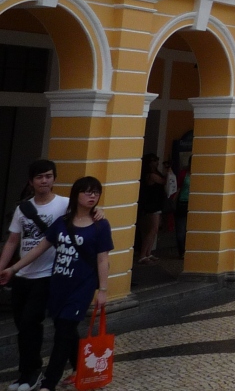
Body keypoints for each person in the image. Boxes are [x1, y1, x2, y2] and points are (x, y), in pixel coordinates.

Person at [0, 176, 111, 391]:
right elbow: (39, 248)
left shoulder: (100, 225)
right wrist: (13, 269)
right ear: (76, 194)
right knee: (64, 328)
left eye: (96, 192)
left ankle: (49, 382)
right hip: (59, 285)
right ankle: (81, 367)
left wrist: (103, 290)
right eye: (87, 191)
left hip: (82, 287)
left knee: (64, 332)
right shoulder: (63, 222)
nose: (92, 196)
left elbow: (102, 259)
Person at [0, 160, 68, 390]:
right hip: (22, 275)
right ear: (31, 182)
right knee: (22, 326)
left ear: (54, 178)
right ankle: (25, 373)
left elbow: (87, 215)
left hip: (47, 275)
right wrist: (3, 267)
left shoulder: (64, 204)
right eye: (39, 177)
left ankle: (34, 372)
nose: (44, 181)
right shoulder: (23, 208)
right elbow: (13, 241)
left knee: (31, 322)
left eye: (48, 176)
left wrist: (99, 211)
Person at [136, 153, 165, 264]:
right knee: (152, 229)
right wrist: (169, 172)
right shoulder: (151, 175)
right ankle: (143, 254)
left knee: (154, 230)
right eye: (154, 160)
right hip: (152, 205)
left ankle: (148, 253)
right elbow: (163, 181)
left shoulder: (154, 173)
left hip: (155, 203)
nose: (156, 162)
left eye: (157, 160)